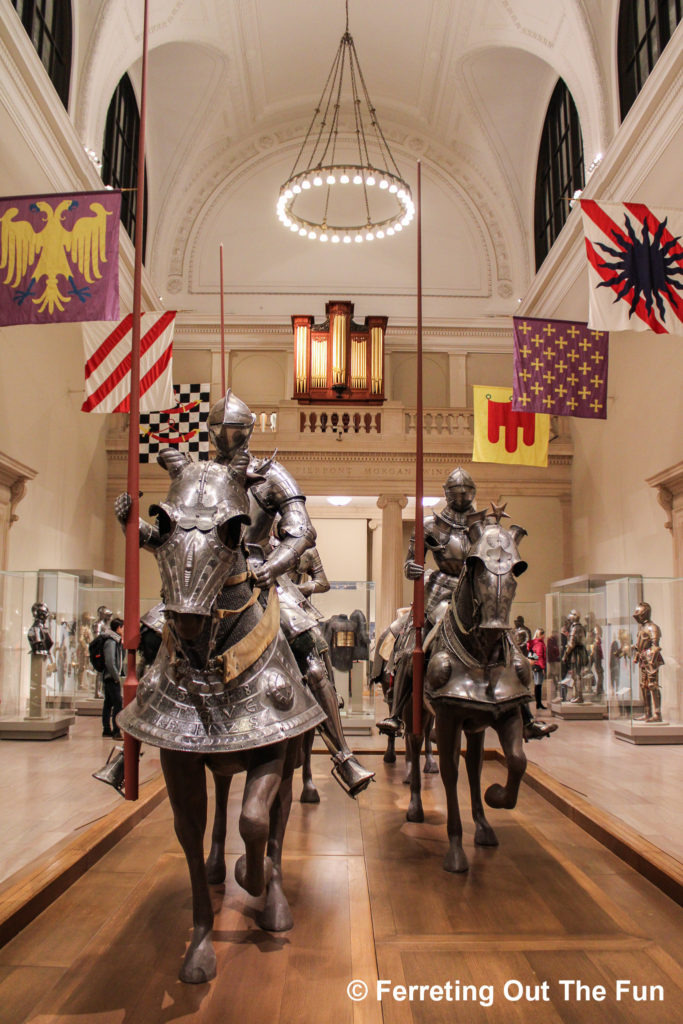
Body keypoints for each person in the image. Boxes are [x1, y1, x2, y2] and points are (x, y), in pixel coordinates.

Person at [379, 468, 556, 742]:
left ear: (473, 492)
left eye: (466, 491)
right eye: (456, 492)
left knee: (507, 641)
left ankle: (527, 716)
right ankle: (396, 712)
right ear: (446, 493)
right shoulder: (430, 525)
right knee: (412, 642)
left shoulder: (484, 527)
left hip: (475, 590)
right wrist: (413, 568)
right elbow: (410, 562)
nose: (461, 497)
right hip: (440, 589)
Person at [632, 602, 664, 723]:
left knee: (653, 685)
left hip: (651, 659)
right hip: (644, 659)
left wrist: (651, 659)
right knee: (644, 686)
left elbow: (655, 646)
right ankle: (647, 712)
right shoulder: (643, 628)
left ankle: (657, 713)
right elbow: (639, 645)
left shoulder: (652, 627)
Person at [102, 617, 124, 738]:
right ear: (119, 628)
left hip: (111, 676)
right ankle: (116, 730)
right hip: (111, 677)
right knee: (117, 703)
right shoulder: (111, 642)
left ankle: (106, 729)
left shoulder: (116, 641)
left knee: (108, 703)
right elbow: (110, 661)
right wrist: (116, 676)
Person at [527, 628, 547, 710]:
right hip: (538, 666)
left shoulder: (535, 643)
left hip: (535, 665)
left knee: (537, 684)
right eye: (543, 634)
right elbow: (539, 656)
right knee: (538, 684)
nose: (544, 636)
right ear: (541, 634)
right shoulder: (539, 644)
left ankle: (538, 703)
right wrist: (542, 667)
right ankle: (538, 703)